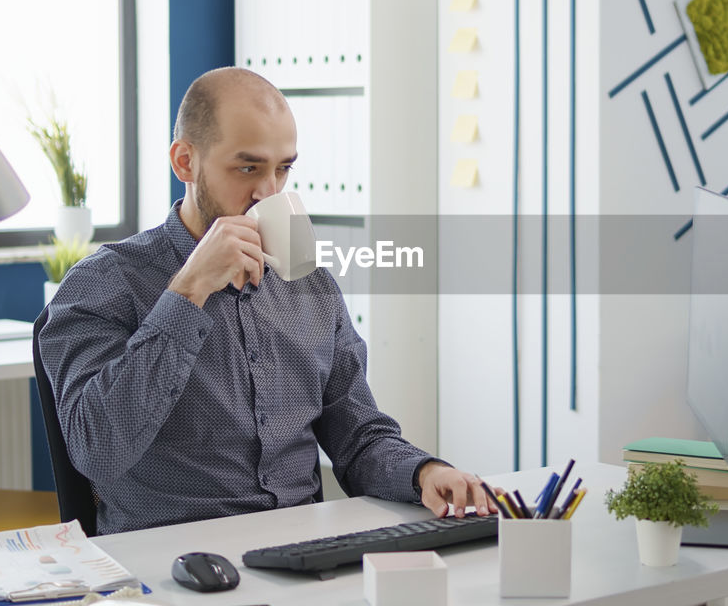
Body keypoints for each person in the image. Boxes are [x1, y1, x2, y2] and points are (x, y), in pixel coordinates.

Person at [38, 67, 495, 534]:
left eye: (283, 168)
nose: (268, 191)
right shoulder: (105, 283)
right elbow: (97, 450)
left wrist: (423, 473)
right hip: (175, 561)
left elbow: (357, 437)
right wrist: (188, 291)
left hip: (301, 550)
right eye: (248, 167)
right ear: (184, 162)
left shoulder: (309, 283)